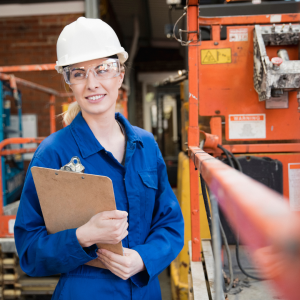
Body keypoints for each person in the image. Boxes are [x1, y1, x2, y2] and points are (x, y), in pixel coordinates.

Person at [14, 17, 184, 300]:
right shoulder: (53, 153)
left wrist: (142, 259)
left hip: (145, 289)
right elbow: (30, 251)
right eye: (78, 73)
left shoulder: (146, 145)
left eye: (102, 69)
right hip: (85, 290)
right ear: (70, 83)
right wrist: (82, 236)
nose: (92, 84)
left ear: (120, 74)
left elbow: (170, 224)